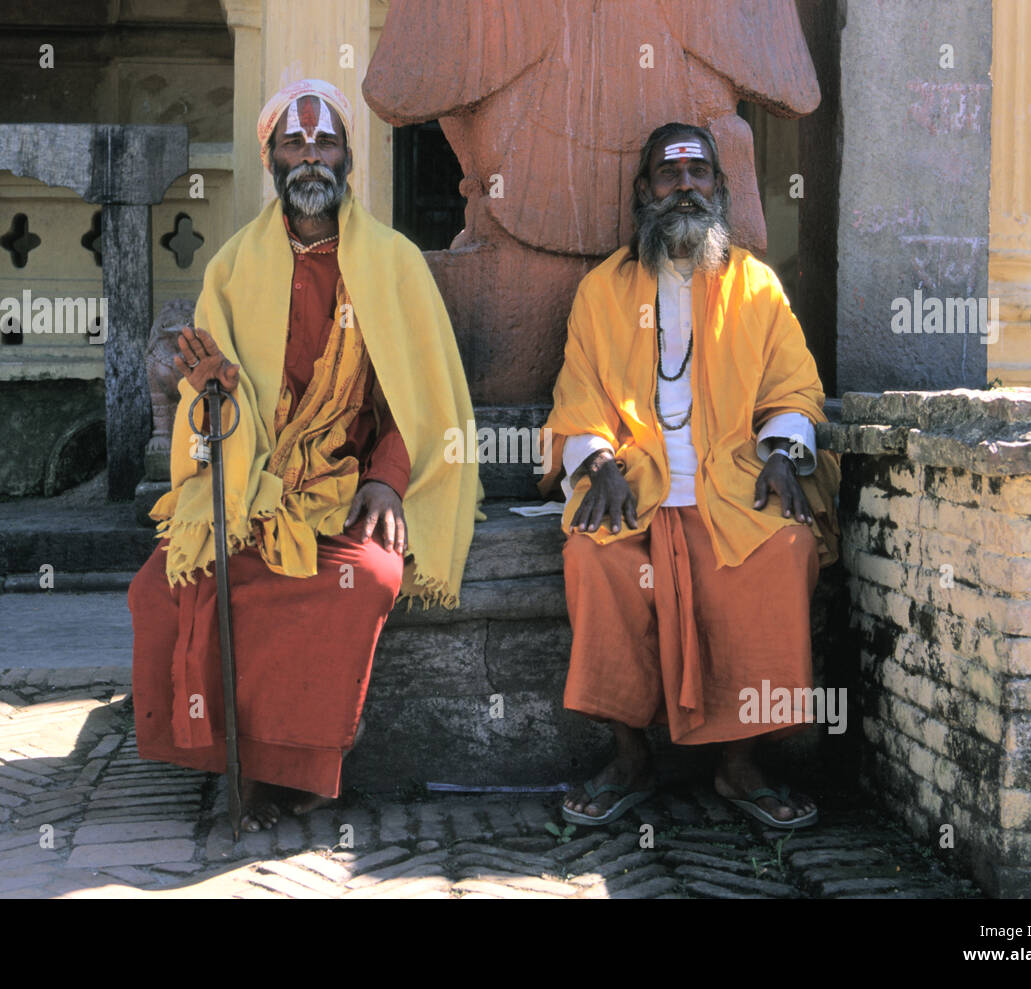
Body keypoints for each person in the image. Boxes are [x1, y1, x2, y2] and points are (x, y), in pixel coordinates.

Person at [129, 79, 479, 832]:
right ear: (272, 157)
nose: (311, 156)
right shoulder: (230, 267)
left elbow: (417, 400)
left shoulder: (393, 263)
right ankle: (239, 762)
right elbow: (212, 401)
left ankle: (299, 766)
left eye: (325, 142)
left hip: (345, 486)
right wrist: (211, 392)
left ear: (348, 156)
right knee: (169, 582)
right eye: (295, 142)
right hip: (250, 478)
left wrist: (388, 482)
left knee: (368, 575)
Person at [540, 121, 841, 829]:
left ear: (720, 189)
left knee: (784, 550)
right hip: (636, 490)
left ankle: (741, 765)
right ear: (644, 192)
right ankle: (629, 757)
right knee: (594, 555)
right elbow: (577, 396)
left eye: (698, 173)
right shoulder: (602, 291)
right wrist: (600, 463)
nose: (684, 188)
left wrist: (780, 452)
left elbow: (796, 391)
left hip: (732, 488)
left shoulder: (757, 287)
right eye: (668, 176)